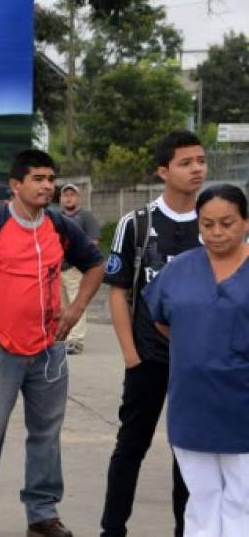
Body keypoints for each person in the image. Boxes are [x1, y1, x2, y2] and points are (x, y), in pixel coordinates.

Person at [0, 150, 105, 537]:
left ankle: (42, 514)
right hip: (1, 354)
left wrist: (75, 310)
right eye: (37, 178)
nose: (47, 185)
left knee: (46, 436)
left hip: (49, 352)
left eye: (50, 178)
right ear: (15, 185)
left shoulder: (59, 225)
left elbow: (96, 265)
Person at [100, 131, 206, 537]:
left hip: (198, 364)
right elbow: (119, 291)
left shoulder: (213, 221)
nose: (197, 168)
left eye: (201, 160)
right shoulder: (137, 223)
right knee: (130, 448)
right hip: (147, 358)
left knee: (189, 456)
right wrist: (130, 353)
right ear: (164, 171)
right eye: (186, 162)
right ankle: (113, 530)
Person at [143, 184, 249, 537]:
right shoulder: (180, 270)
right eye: (207, 224)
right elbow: (160, 318)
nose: (216, 233)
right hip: (192, 403)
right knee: (201, 497)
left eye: (227, 223)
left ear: (245, 223)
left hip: (242, 404)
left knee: (243, 499)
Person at [58, 183, 100, 355]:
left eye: (72, 194)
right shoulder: (56, 217)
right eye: (65, 195)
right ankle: (63, 337)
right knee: (60, 306)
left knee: (76, 303)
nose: (68, 197)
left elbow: (94, 241)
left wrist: (80, 261)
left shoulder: (85, 216)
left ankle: (76, 340)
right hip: (56, 268)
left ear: (78, 197)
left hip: (74, 268)